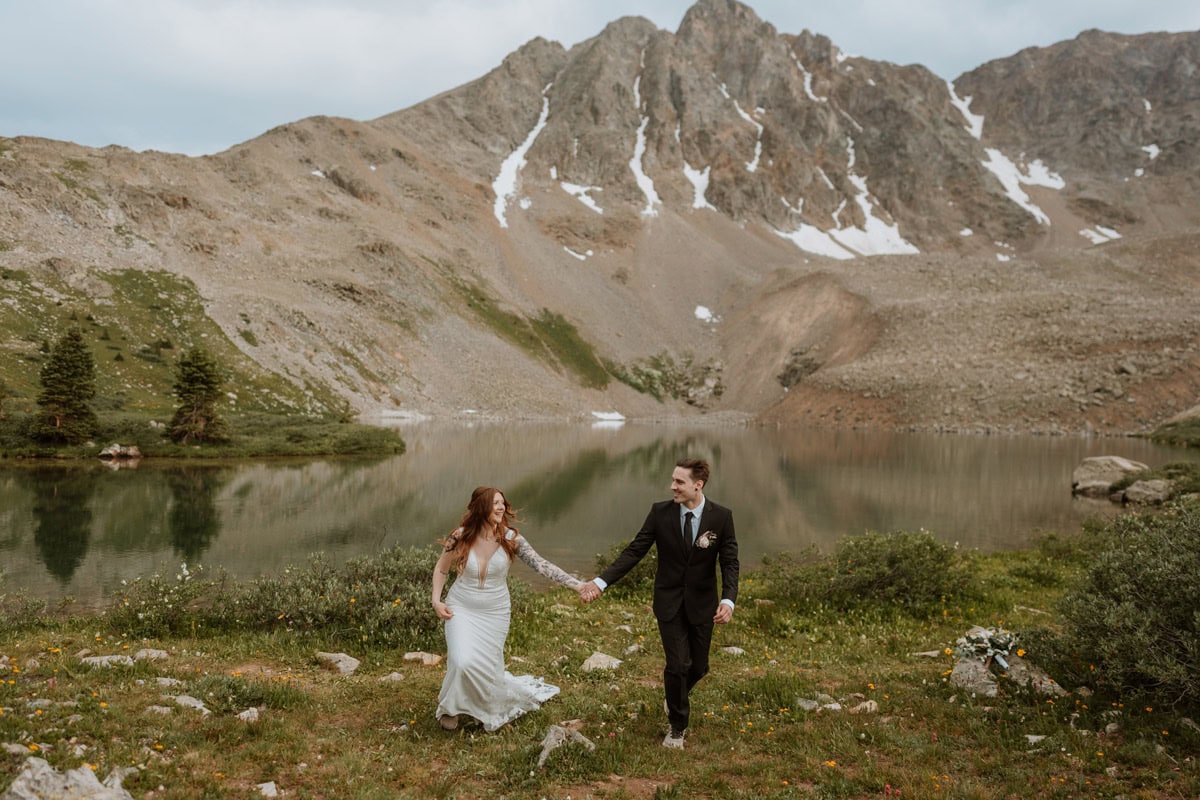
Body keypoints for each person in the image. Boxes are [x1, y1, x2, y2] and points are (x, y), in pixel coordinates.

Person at [578, 458, 739, 749]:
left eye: (679, 482)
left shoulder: (721, 517)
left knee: (699, 667)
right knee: (677, 664)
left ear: (697, 485)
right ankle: (677, 727)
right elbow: (634, 551)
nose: (672, 486)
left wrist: (728, 599)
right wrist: (600, 582)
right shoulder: (660, 513)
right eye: (673, 480)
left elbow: (729, 562)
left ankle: (673, 695)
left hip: (703, 604)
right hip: (669, 602)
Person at [431, 485, 584, 732]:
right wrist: (436, 600)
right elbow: (441, 569)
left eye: (503, 503)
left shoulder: (512, 539)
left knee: (487, 666)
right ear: (481, 508)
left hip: (495, 612)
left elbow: (541, 566)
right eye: (495, 503)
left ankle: (484, 709)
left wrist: (578, 585)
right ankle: (450, 708)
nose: (501, 507)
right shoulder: (459, 535)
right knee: (461, 660)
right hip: (461, 607)